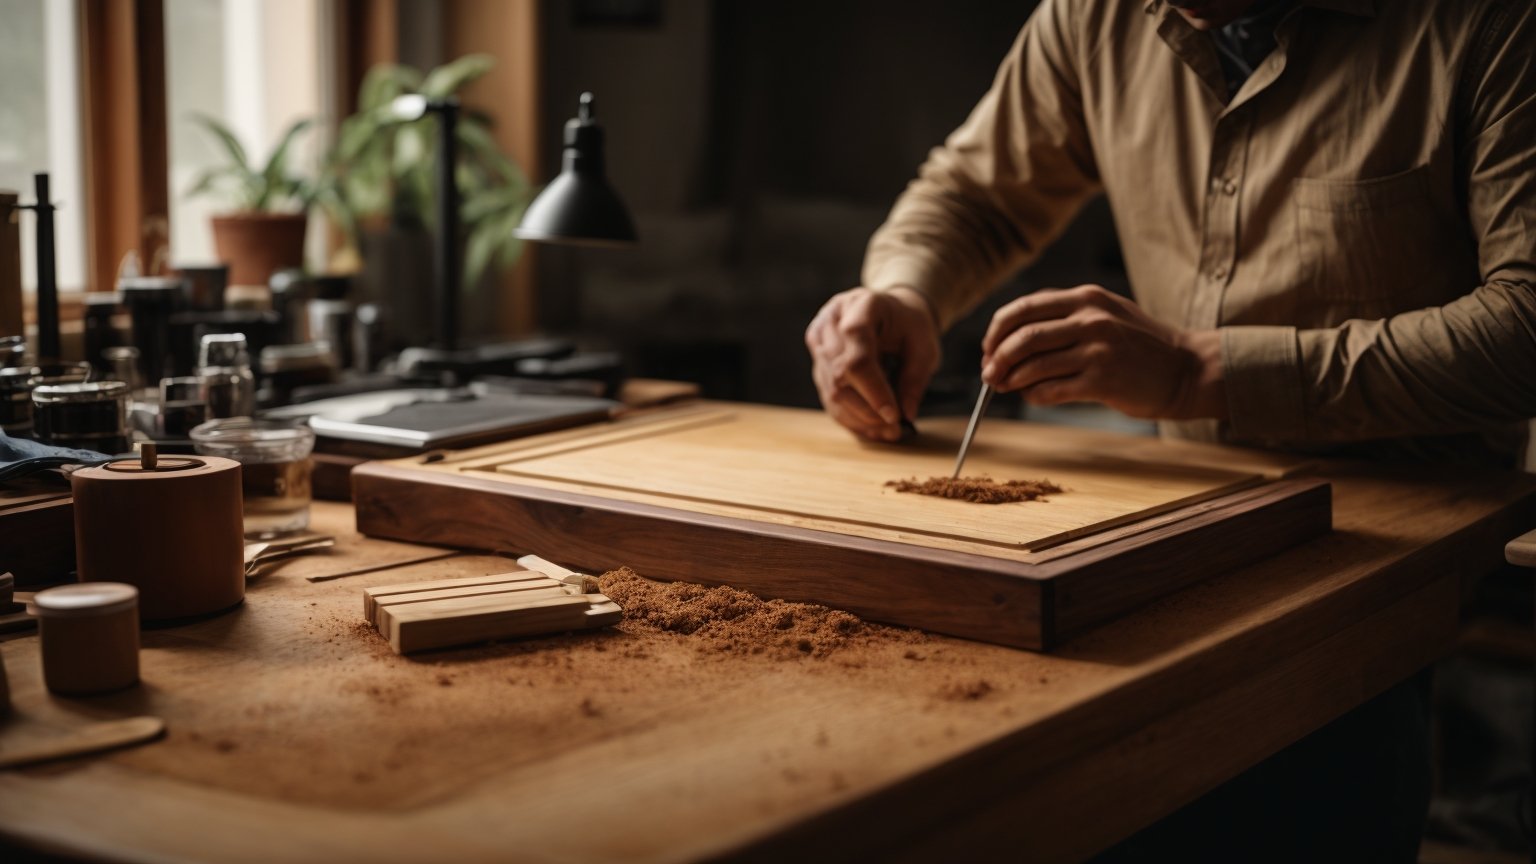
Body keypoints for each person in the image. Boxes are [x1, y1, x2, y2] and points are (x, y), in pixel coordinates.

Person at [805, 0, 1535, 859]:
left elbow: (1525, 328)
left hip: (1385, 564)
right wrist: (903, 292)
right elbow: (975, 195)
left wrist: (1200, 372)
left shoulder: (1488, 24)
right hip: (1183, 517)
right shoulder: (1092, 16)